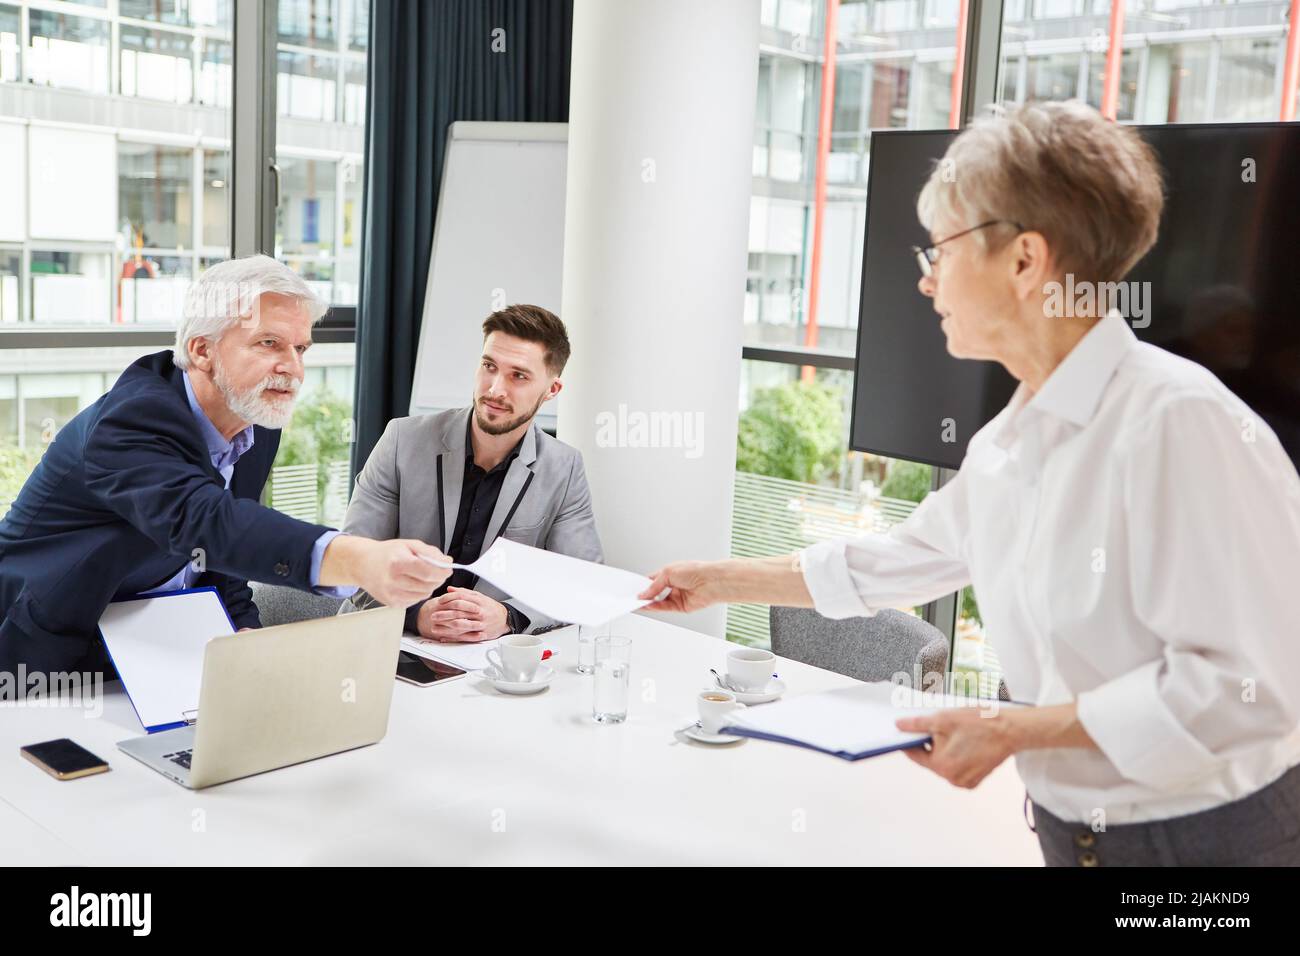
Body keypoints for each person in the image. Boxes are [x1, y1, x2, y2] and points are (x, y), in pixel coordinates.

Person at [637, 101, 1300, 866]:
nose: (927, 282)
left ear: (1025, 262)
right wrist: (714, 580)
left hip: (1207, 844)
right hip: (1071, 830)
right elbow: (894, 561)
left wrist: (1015, 729)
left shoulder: (1178, 424)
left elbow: (1251, 688)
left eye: (940, 251)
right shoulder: (1009, 442)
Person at [0, 255, 450, 675]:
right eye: (269, 343)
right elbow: (206, 522)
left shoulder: (255, 417)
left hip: (162, 655)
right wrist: (356, 559)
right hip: (46, 656)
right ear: (201, 351)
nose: (292, 368)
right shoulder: (129, 422)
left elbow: (223, 559)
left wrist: (242, 637)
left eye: (301, 348)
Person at [341, 304, 601, 639]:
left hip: (485, 661)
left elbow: (582, 582)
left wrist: (509, 617)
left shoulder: (564, 468)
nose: (494, 389)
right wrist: (415, 614)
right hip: (382, 640)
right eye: (489, 366)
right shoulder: (401, 441)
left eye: (518, 376)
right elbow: (352, 562)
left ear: (551, 390)